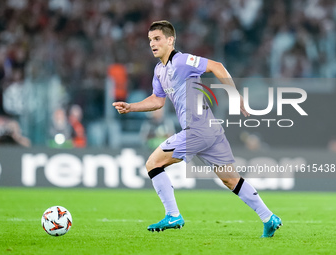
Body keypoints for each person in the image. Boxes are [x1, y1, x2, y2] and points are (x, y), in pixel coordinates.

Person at [113, 20, 282, 237]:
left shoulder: (182, 61)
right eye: (150, 40)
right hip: (209, 130)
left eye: (157, 39)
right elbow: (157, 100)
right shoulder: (159, 71)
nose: (152, 44)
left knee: (153, 163)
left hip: (197, 129)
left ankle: (173, 214)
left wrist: (234, 94)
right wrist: (131, 107)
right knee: (230, 179)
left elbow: (217, 67)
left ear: (170, 40)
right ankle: (269, 218)